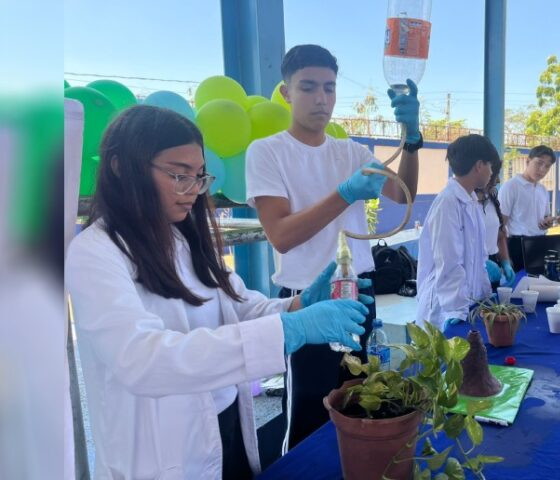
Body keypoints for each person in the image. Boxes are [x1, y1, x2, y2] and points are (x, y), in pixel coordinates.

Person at [65, 105, 369, 479]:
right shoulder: (95, 252)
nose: (193, 190)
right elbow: (141, 360)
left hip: (224, 428)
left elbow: (238, 307)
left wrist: (297, 305)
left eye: (199, 177)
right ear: (120, 167)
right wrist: (290, 330)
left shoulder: (182, 239)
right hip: (164, 455)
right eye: (179, 175)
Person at [245, 44, 421, 450]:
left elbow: (402, 194)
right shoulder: (268, 152)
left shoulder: (351, 152)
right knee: (308, 412)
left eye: (329, 87)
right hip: (307, 299)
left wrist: (412, 140)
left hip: (358, 294)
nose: (321, 98)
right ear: (286, 92)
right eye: (308, 87)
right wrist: (344, 194)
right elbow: (281, 235)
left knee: (362, 402)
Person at [416, 134, 499, 331]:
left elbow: (479, 258)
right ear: (479, 165)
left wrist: (485, 297)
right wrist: (455, 309)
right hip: (444, 307)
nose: (492, 173)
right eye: (490, 166)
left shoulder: (471, 201)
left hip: (467, 302)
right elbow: (449, 262)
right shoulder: (448, 203)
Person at [498, 145, 559, 270]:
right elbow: (500, 225)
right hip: (517, 245)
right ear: (528, 161)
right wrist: (505, 258)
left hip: (540, 243)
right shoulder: (511, 187)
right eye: (539, 163)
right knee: (519, 281)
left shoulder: (542, 190)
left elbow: (544, 217)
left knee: (541, 281)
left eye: (547, 166)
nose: (542, 169)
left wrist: (546, 222)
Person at [476, 168, 515, 290]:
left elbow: (500, 235)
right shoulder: (464, 203)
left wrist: (506, 262)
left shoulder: (491, 200)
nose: (498, 181)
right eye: (495, 176)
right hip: (471, 269)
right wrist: (480, 263)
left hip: (492, 265)